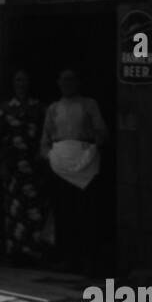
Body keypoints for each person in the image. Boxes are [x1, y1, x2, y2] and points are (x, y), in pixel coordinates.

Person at [39, 68, 109, 272]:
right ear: (58, 83)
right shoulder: (54, 108)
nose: (67, 84)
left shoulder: (88, 104)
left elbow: (101, 132)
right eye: (64, 80)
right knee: (63, 210)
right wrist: (50, 156)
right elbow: (45, 138)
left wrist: (93, 148)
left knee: (84, 210)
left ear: (78, 82)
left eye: (71, 80)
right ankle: (65, 256)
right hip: (61, 162)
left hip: (83, 161)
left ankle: (86, 258)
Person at [0, 68, 46, 266]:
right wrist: (0, 164)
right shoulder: (5, 109)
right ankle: (14, 252)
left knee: (34, 209)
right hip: (12, 167)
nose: (21, 84)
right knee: (14, 209)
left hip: (33, 166)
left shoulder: (39, 108)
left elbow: (45, 135)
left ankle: (34, 252)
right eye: (18, 80)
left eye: (24, 80)